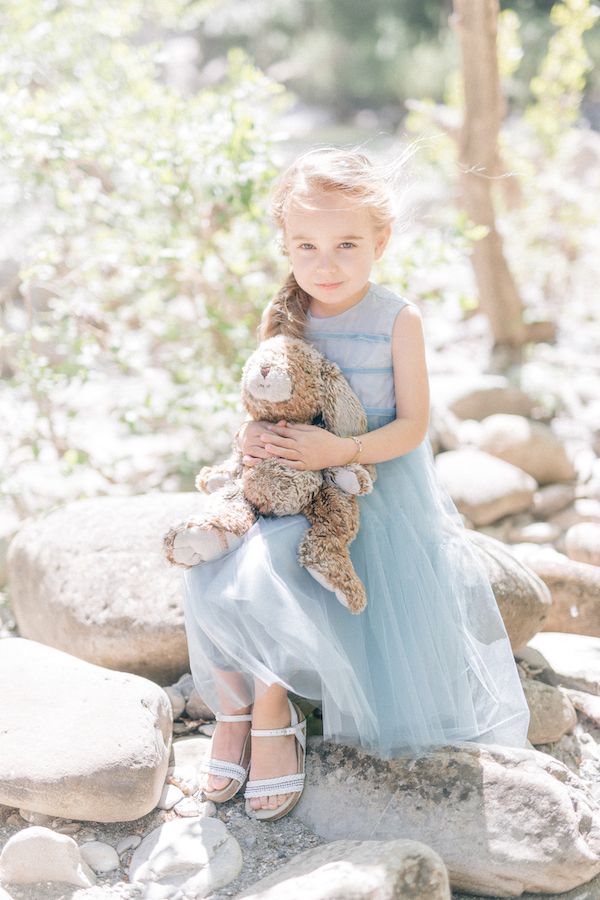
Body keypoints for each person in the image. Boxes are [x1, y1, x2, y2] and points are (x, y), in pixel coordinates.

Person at [181, 147, 531, 822]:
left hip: (369, 495)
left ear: (381, 241)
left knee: (271, 575)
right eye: (306, 246)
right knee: (212, 562)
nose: (326, 264)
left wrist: (340, 448)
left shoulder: (397, 318)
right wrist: (254, 439)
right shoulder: (288, 312)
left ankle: (275, 707)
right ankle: (235, 705)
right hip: (290, 488)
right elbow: (269, 400)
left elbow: (414, 426)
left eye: (346, 244)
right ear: (284, 244)